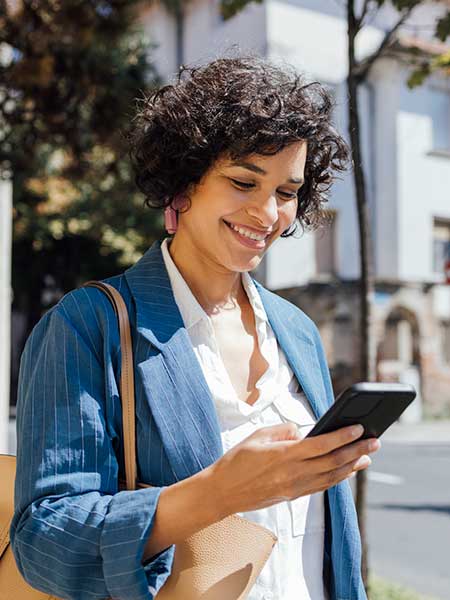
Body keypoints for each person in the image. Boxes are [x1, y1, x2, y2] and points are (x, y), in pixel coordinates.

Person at [10, 55, 380, 600]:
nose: (268, 212)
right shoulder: (88, 325)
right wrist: (217, 493)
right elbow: (45, 541)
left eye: (285, 192)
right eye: (243, 181)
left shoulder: (296, 330)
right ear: (183, 185)